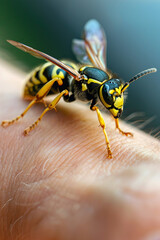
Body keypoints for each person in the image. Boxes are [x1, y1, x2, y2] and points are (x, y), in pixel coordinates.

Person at [0, 60, 160, 240]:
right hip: (49, 78)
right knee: (58, 83)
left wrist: (117, 128)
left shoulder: (99, 88)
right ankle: (23, 116)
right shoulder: (82, 83)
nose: (116, 102)